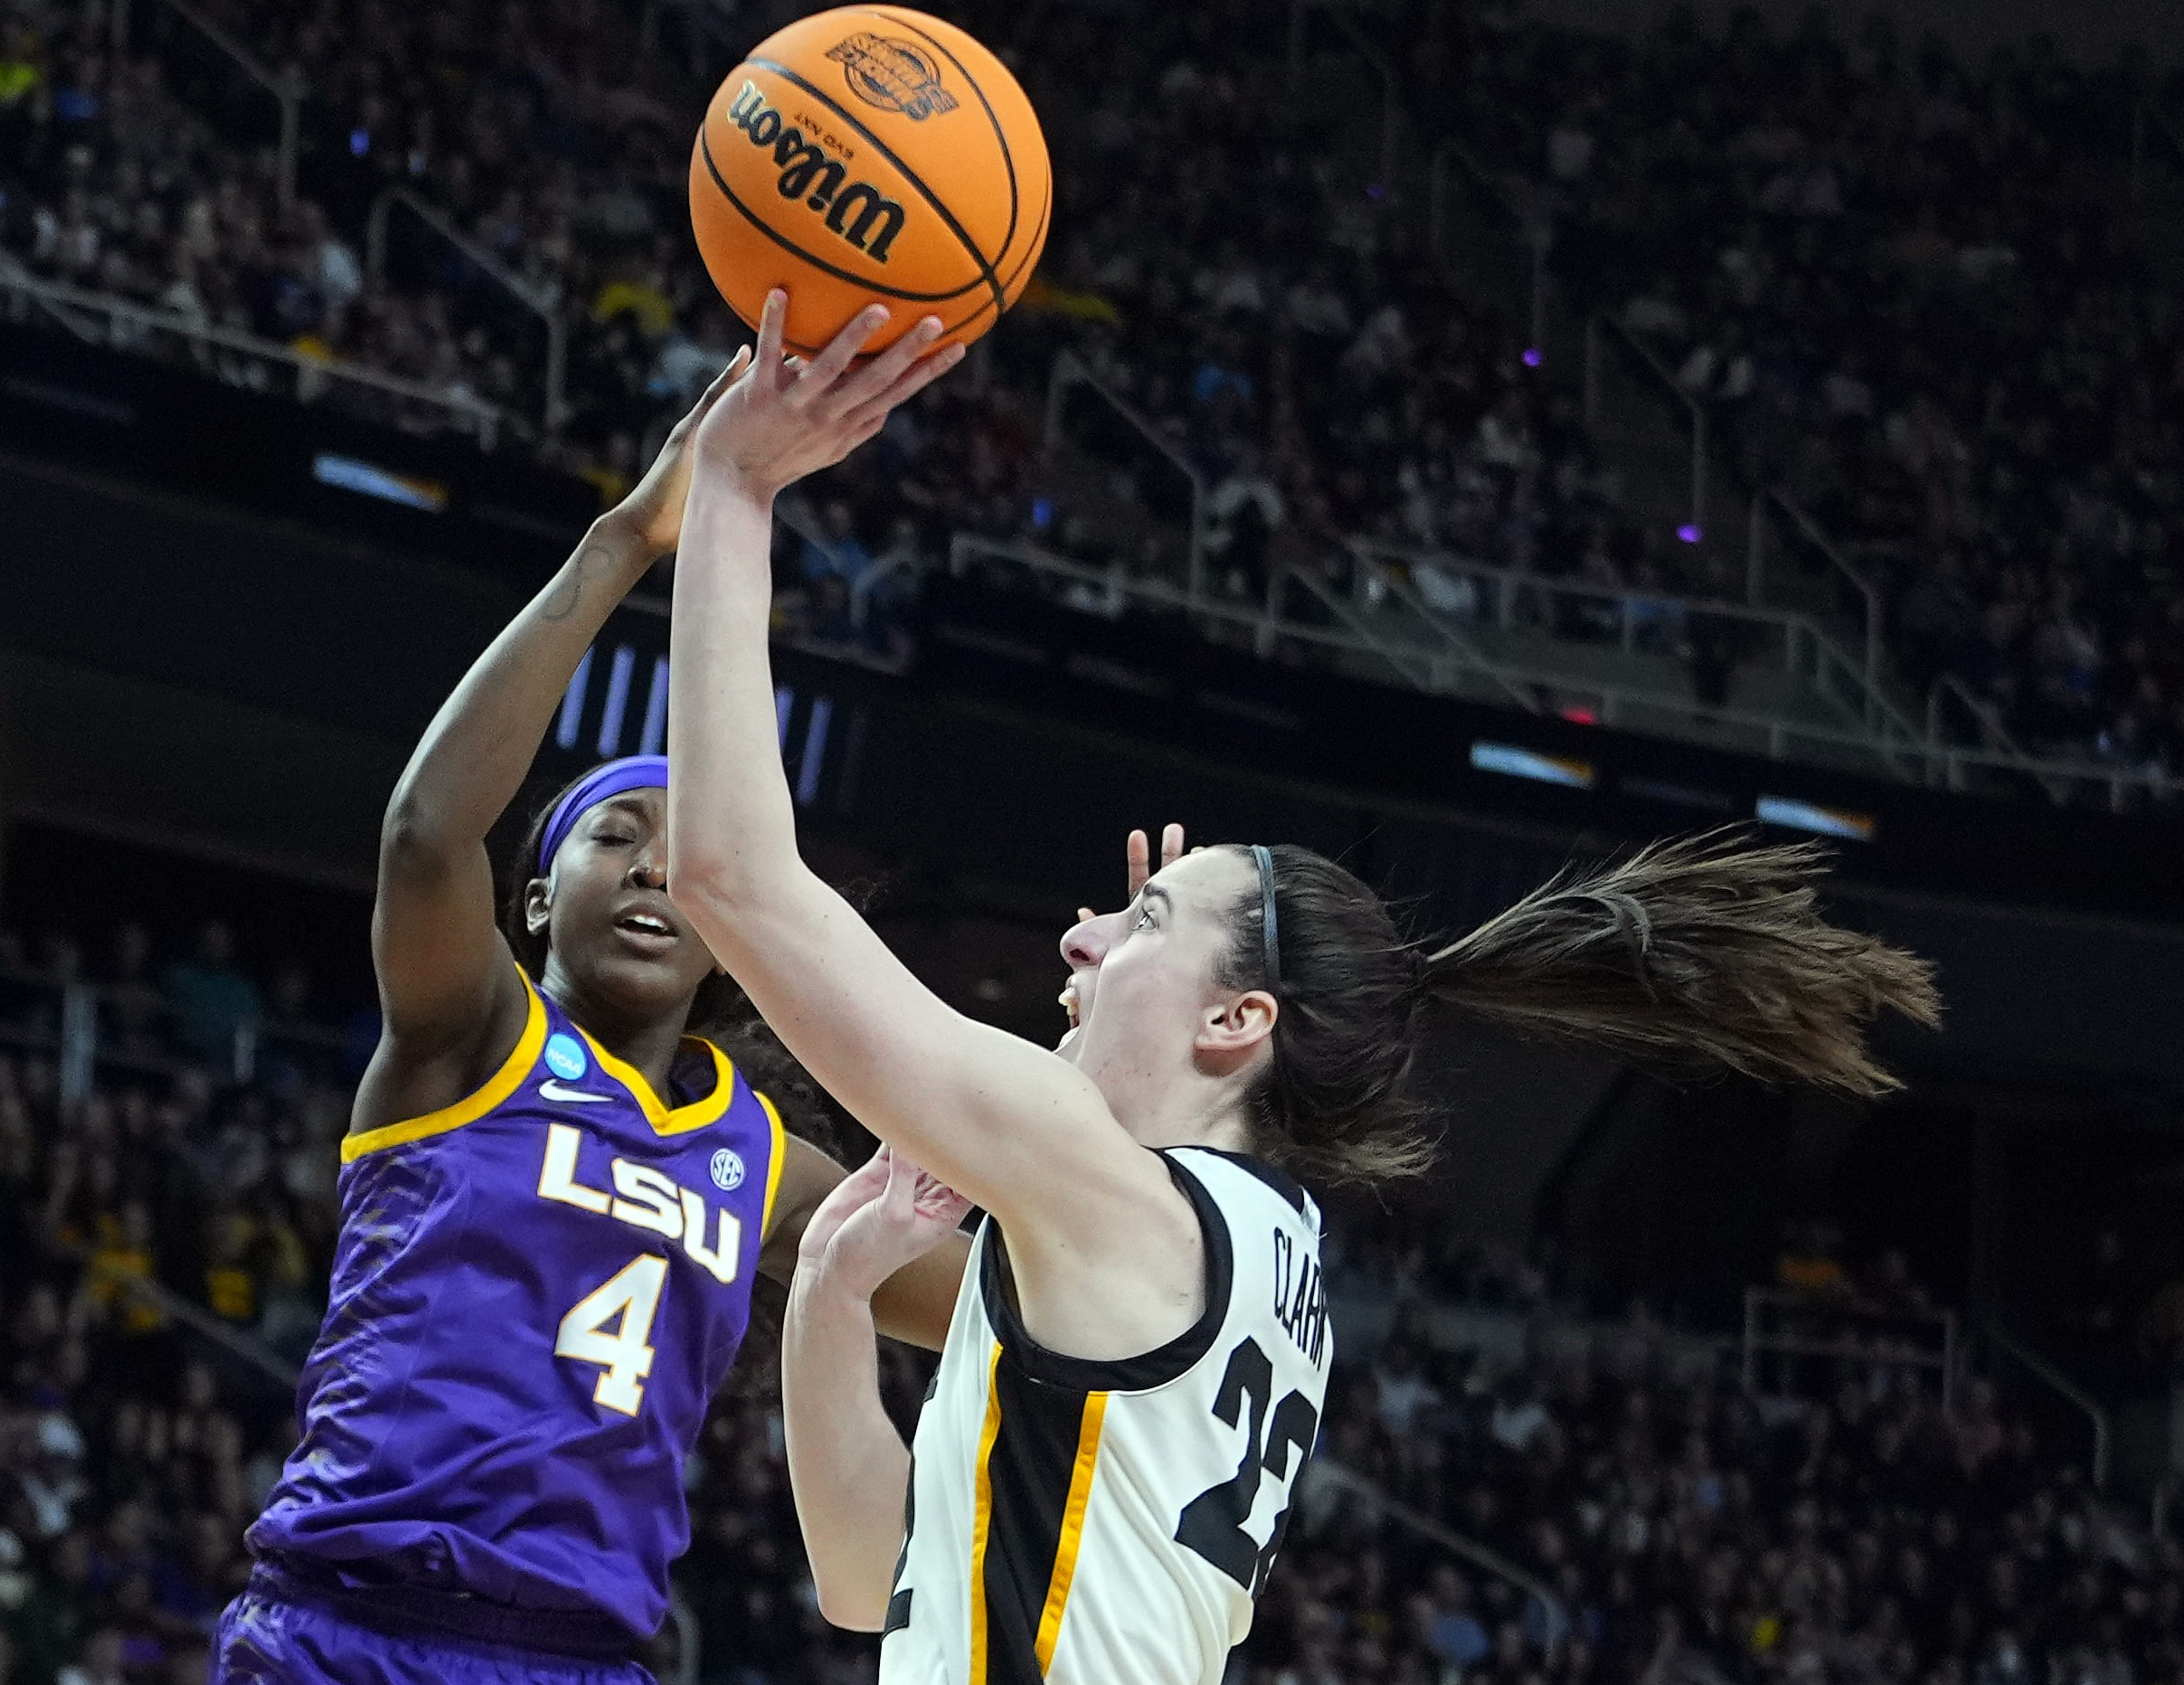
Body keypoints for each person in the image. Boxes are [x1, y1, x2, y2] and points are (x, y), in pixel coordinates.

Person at [661, 292, 1943, 1684]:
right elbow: (870, 1586)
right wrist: (831, 1298)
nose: (1076, 938)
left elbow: (732, 878)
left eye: (1135, 916)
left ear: (1238, 1022)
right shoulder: (1216, 1248)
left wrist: (732, 487)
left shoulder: (1111, 1201)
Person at [213, 356, 968, 1685]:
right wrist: (624, 539)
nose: (654, 866)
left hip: (579, 1656)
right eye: (615, 833)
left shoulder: (758, 1159)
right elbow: (423, 829)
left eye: (686, 852)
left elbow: (1009, 1311)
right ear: (532, 897)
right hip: (350, 1626)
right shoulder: (468, 1039)